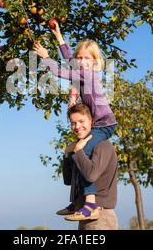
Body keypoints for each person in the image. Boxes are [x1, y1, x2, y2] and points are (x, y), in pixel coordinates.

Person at [33, 21, 117, 221]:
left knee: (82, 151)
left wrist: (46, 58)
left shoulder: (89, 74)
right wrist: (59, 37)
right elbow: (70, 61)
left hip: (105, 124)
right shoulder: (82, 72)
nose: (81, 61)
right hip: (98, 124)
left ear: (95, 62)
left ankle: (90, 205)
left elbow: (62, 71)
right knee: (72, 153)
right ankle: (77, 201)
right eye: (79, 57)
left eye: (86, 58)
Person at [62, 103, 119, 230]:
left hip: (100, 217)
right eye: (73, 123)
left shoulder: (102, 146)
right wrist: (67, 154)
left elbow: (90, 175)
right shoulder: (81, 149)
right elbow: (67, 180)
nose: (77, 126)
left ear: (92, 121)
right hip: (84, 215)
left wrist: (78, 152)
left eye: (81, 121)